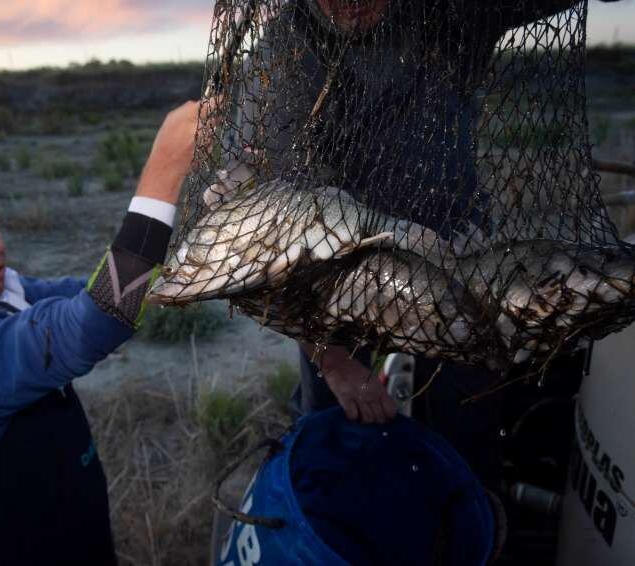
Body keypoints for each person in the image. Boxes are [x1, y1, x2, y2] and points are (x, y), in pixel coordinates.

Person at [230, 0, 618, 485]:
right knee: (332, 418)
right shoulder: (283, 55)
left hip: (459, 251)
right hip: (336, 273)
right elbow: (263, 230)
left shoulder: (453, 12)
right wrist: (330, 357)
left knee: (469, 419)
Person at [0, 100, 201, 565]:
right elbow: (98, 320)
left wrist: (214, 262)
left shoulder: (2, 293)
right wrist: (163, 173)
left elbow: (90, 296)